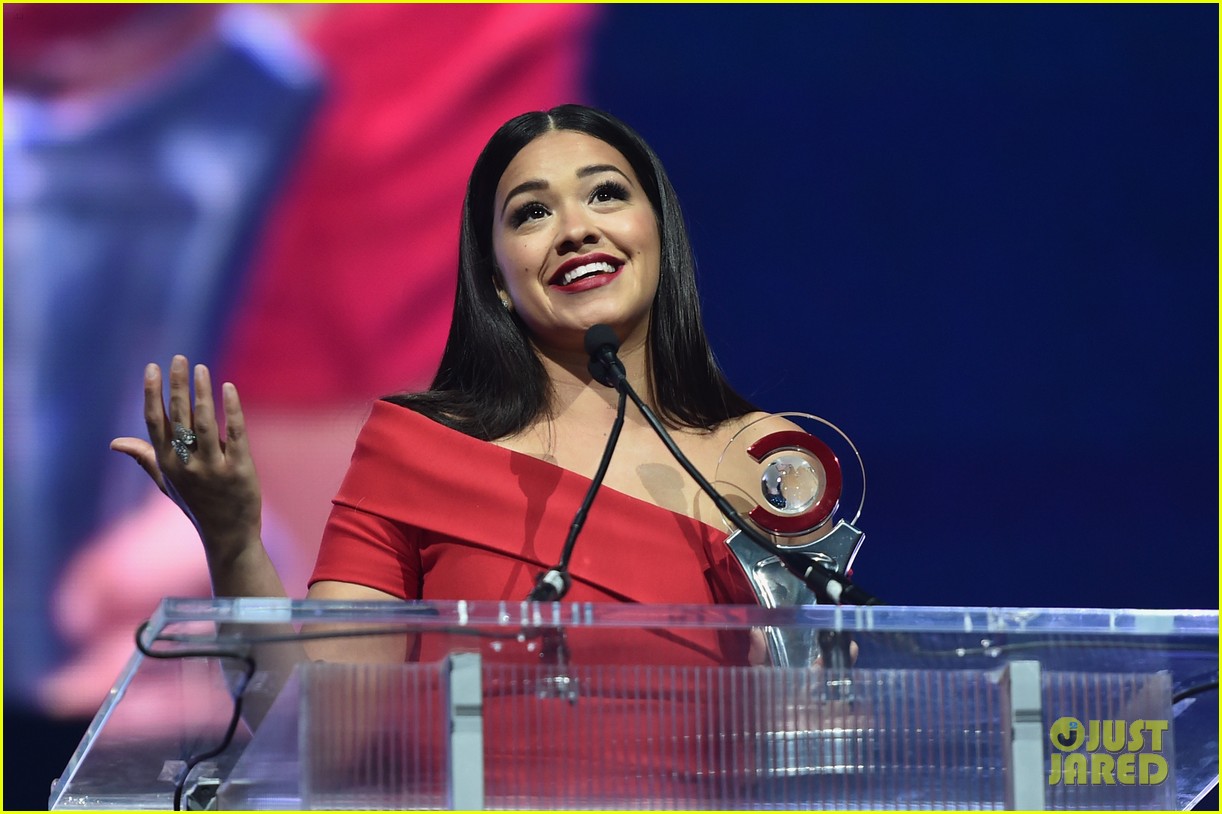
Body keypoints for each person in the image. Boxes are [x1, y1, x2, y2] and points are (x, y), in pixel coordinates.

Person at [114, 104, 767, 667]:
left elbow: (812, 716)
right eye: (532, 212)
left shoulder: (767, 463)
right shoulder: (414, 454)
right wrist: (232, 542)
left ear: (660, 231)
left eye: (606, 194)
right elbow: (318, 727)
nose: (576, 229)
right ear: (495, 282)